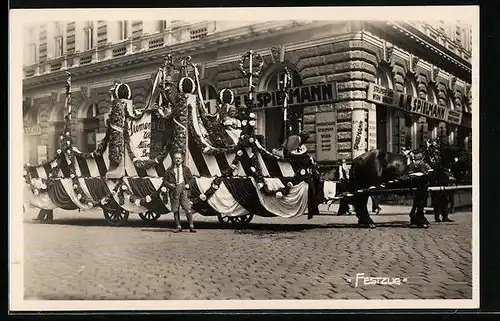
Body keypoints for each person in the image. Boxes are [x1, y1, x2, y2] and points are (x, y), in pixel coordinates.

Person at [166, 152, 196, 233]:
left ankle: (191, 226)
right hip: (174, 191)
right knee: (175, 209)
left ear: (182, 160)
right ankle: (178, 226)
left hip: (184, 190)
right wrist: (170, 185)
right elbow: (164, 181)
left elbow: (192, 179)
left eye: (179, 158)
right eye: (176, 158)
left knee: (187, 208)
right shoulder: (169, 170)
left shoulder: (186, 169)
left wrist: (188, 185)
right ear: (173, 159)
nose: (178, 159)